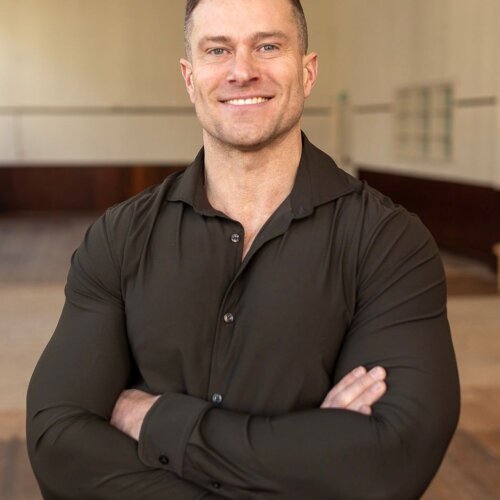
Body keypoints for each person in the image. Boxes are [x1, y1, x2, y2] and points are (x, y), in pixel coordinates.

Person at [26, 0, 460, 498]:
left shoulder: (389, 241)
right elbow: (58, 441)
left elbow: (391, 460)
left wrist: (159, 423)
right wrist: (309, 457)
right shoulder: (120, 236)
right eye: (218, 50)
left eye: (268, 46)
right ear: (190, 78)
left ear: (307, 71)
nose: (242, 71)